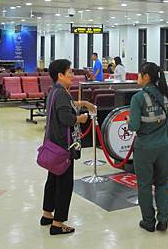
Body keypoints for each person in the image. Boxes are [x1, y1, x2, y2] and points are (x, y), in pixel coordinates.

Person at [41, 59, 96, 235]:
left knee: (52, 180)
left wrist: (83, 103)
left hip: (53, 144)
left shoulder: (54, 91)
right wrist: (81, 118)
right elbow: (66, 118)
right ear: (60, 75)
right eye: (70, 72)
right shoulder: (62, 94)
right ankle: (58, 223)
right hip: (63, 147)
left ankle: (47, 214)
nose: (73, 75)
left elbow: (66, 107)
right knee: (64, 184)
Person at [128, 61, 168, 233]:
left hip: (145, 148)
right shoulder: (167, 95)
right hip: (165, 145)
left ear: (146, 77)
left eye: (139, 74)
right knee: (162, 183)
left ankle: (148, 221)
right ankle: (163, 220)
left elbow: (134, 126)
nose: (137, 77)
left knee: (145, 185)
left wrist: (129, 121)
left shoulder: (138, 98)